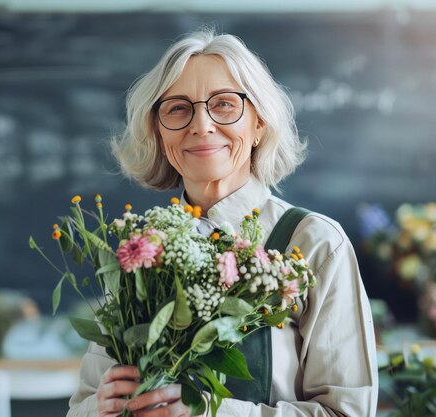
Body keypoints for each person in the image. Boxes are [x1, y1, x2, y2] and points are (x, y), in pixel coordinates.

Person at [66, 30, 378, 417]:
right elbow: (80, 406)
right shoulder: (140, 251)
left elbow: (347, 412)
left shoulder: (315, 243)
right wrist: (100, 408)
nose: (201, 125)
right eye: (178, 109)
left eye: (225, 105)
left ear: (259, 124)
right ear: (160, 134)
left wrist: (209, 412)